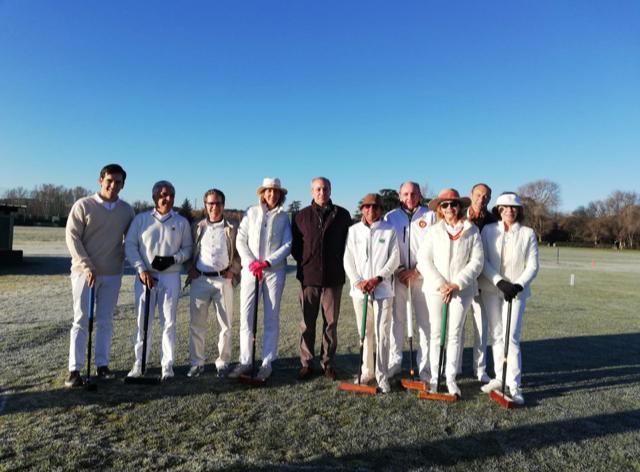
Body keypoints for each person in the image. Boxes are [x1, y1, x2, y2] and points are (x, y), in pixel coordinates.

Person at [65, 164, 134, 387]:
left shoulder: (126, 210)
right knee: (81, 320)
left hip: (112, 274)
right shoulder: (83, 205)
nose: (113, 185)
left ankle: (102, 365)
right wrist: (87, 266)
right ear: (100, 180)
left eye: (118, 182)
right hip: (84, 274)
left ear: (123, 184)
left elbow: (131, 240)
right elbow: (72, 238)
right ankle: (74, 370)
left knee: (105, 321)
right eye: (109, 181)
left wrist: (123, 256)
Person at [416, 188, 483, 396]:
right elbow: (423, 260)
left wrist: (456, 284)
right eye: (444, 205)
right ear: (439, 209)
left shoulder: (471, 230)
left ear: (460, 207)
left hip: (460, 291)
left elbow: (477, 262)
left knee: (454, 334)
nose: (449, 208)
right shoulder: (433, 231)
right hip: (436, 290)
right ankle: (434, 378)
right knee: (436, 334)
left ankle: (451, 378)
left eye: (453, 204)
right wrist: (441, 283)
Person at [125, 180, 193, 381]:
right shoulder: (141, 219)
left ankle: (167, 365)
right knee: (142, 322)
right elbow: (130, 246)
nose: (167, 198)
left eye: (171, 194)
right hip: (146, 276)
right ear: (154, 196)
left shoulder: (181, 222)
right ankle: (139, 363)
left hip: (170, 276)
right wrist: (141, 269)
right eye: (163, 194)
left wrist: (174, 259)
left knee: (169, 322)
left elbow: (188, 249)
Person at [228, 178, 292, 381]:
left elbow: (287, 244)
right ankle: (246, 360)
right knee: (246, 315)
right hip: (251, 271)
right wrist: (251, 262)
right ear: (263, 193)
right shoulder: (251, 212)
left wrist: (267, 263)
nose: (272, 195)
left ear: (280, 195)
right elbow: (241, 239)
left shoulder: (283, 217)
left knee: (271, 317)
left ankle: (267, 362)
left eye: (276, 192)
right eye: (269, 191)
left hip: (273, 272)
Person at [479, 192, 539, 405]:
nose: (510, 210)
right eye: (505, 207)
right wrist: (499, 282)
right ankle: (499, 377)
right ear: (499, 210)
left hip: (517, 292)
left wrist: (517, 285)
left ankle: (515, 386)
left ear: (518, 211)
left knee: (510, 337)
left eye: (514, 207)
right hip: (492, 289)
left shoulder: (527, 233)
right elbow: (483, 260)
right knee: (496, 335)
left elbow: (533, 265)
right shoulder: (488, 230)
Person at [292, 177, 351, 381]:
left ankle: (327, 363)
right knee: (307, 323)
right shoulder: (301, 216)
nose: (321, 192)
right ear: (311, 191)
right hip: (309, 277)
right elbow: (296, 248)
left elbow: (347, 245)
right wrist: (307, 262)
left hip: (334, 278)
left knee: (331, 324)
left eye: (325, 189)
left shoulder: (342, 215)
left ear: (330, 190)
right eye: (317, 189)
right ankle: (306, 363)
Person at [343, 193, 400, 393]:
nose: (371, 211)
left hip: (382, 289)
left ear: (380, 209)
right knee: (365, 333)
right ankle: (367, 372)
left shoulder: (389, 230)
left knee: (382, 334)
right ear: (362, 209)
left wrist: (378, 279)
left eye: (375, 207)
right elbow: (348, 259)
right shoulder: (353, 231)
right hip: (360, 291)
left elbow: (394, 259)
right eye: (367, 207)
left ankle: (382, 375)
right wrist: (358, 281)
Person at [185, 189, 241, 378]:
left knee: (225, 326)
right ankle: (197, 363)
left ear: (223, 205)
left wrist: (233, 270)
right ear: (205, 205)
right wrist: (189, 268)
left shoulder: (233, 227)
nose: (214, 207)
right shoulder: (196, 226)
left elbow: (240, 253)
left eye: (217, 203)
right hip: (200, 279)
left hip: (223, 280)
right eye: (210, 203)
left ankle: (223, 362)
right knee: (196, 324)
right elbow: (185, 249)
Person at [384, 181, 436, 381]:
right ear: (399, 195)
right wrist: (398, 270)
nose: (409, 197)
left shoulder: (430, 216)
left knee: (425, 323)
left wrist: (416, 271)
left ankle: (425, 368)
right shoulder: (391, 217)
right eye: (405, 194)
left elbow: (434, 249)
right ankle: (394, 364)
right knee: (397, 321)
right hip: (398, 276)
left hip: (422, 277)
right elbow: (387, 249)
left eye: (413, 193)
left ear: (420, 195)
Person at [458, 183, 498, 382]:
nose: (481, 199)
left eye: (486, 196)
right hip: (460, 281)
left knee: (481, 329)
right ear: (471, 195)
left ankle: (480, 369)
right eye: (478, 194)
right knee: (457, 327)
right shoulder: (457, 215)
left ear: (489, 199)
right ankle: (454, 367)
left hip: (483, 281)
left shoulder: (493, 221)